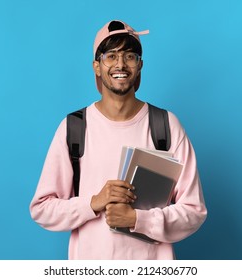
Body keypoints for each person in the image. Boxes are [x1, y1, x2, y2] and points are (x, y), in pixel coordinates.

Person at [30, 20, 207, 259]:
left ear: (140, 65)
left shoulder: (165, 126)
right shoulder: (74, 127)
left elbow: (194, 211)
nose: (120, 64)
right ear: (96, 66)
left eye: (130, 56)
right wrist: (93, 203)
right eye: (110, 56)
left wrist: (137, 219)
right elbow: (41, 209)